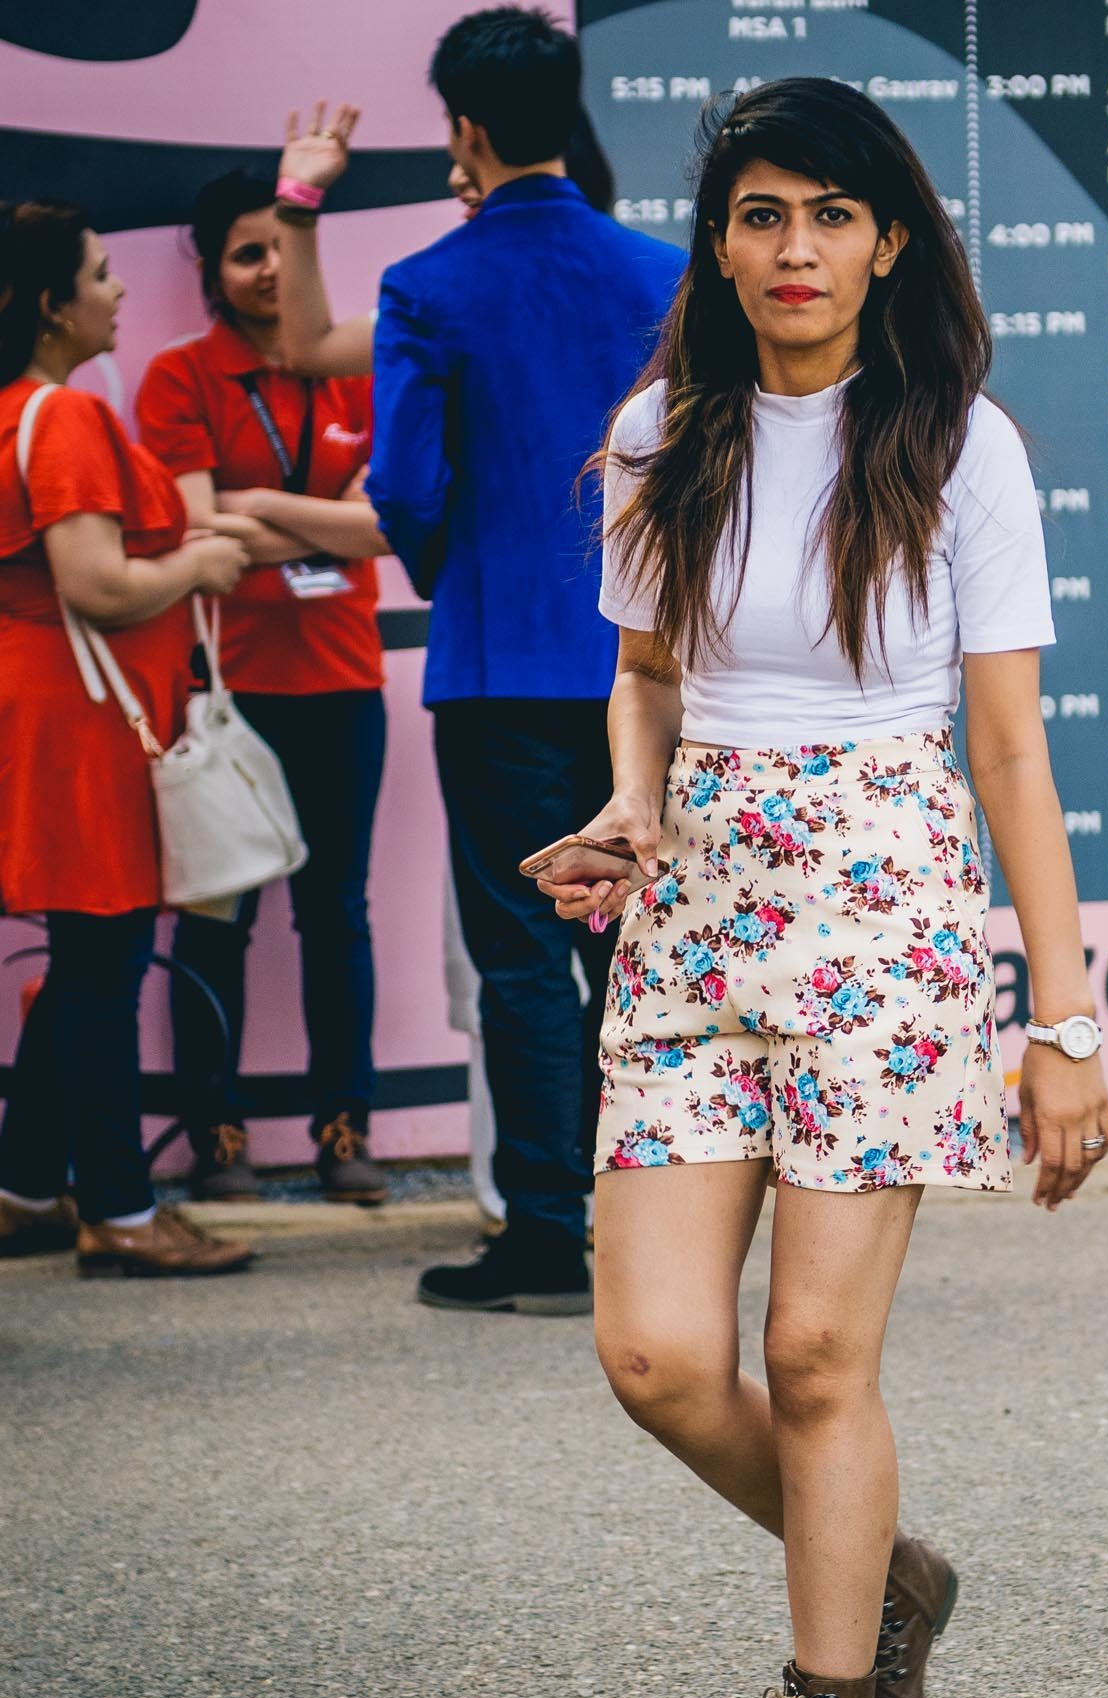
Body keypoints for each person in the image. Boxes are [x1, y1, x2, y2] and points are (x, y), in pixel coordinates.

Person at [535, 77, 1108, 1698]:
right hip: (695, 908)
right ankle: (886, 1585)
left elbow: (1009, 751)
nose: (796, 250)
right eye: (762, 214)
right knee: (656, 1357)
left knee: (811, 1360)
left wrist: (1065, 1021)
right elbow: (644, 671)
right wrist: (632, 799)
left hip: (887, 918)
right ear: (718, 240)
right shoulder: (658, 432)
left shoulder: (958, 446)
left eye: (831, 216)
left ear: (889, 242)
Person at [364, 7, 687, 1312]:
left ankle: (548, 1236)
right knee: (644, 951)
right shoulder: (667, 274)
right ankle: (664, 1232)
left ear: (466, 130)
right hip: (651, 666)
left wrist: (462, 571)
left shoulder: (428, 286)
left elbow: (403, 478)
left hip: (499, 667)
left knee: (519, 957)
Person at [0, 199, 253, 1277]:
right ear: (52, 305)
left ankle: (24, 1185)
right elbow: (96, 583)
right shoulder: (61, 417)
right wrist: (197, 565)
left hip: (59, 714)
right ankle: (118, 1206)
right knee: (104, 961)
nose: (118, 290)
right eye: (99, 275)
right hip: (83, 725)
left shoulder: (25, 406)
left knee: (87, 957)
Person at [136, 170, 393, 1203]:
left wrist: (253, 502)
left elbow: (381, 526)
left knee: (337, 915)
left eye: (282, 250)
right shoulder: (177, 377)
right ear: (212, 268)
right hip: (224, 690)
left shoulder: (358, 374)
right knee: (216, 918)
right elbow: (203, 537)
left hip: (343, 678)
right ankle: (217, 1136)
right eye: (246, 254)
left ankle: (346, 1132)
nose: (267, 272)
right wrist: (302, 517)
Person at [271, 101, 617, 381]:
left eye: (475, 161)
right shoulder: (438, 299)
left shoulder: (643, 282)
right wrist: (298, 201)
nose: (455, 180)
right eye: (458, 161)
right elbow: (313, 350)